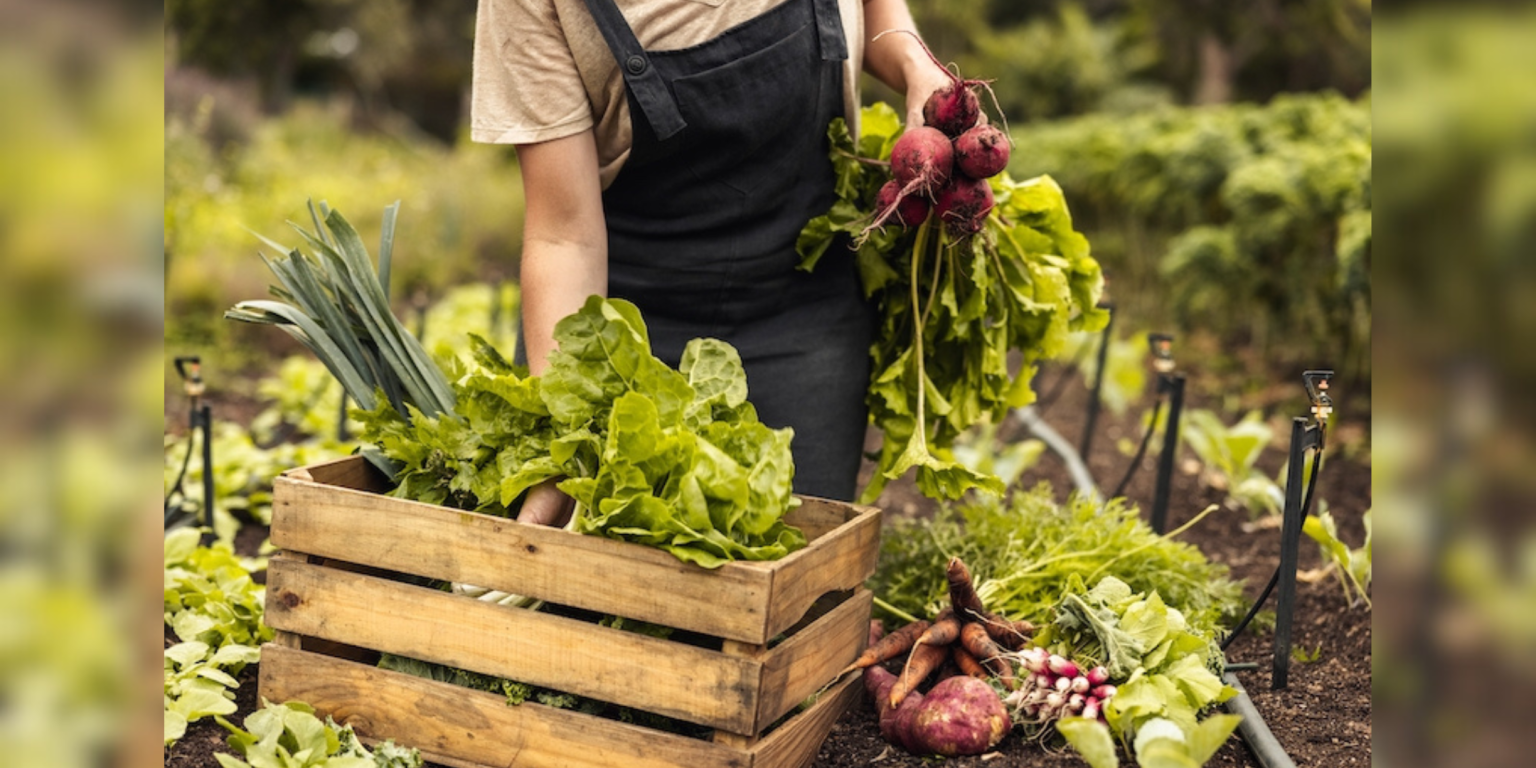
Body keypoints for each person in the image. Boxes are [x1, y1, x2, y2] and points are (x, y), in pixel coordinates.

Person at [471, 0, 951, 525]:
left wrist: (915, 65)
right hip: (626, 341)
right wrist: (563, 433)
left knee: (800, 561)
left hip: (806, 312)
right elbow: (564, 238)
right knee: (605, 568)